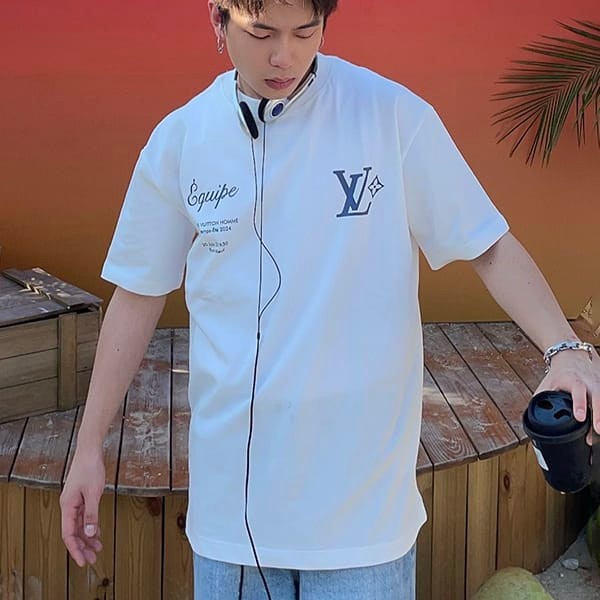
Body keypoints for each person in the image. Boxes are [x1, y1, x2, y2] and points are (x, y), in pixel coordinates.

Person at [60, 1, 600, 598]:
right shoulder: (181, 139)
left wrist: (566, 349)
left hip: (363, 522)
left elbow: (487, 244)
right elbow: (137, 295)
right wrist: (89, 448)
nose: (283, 56)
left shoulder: (391, 116)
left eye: (304, 32)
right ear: (217, 20)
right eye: (261, 33)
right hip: (232, 522)